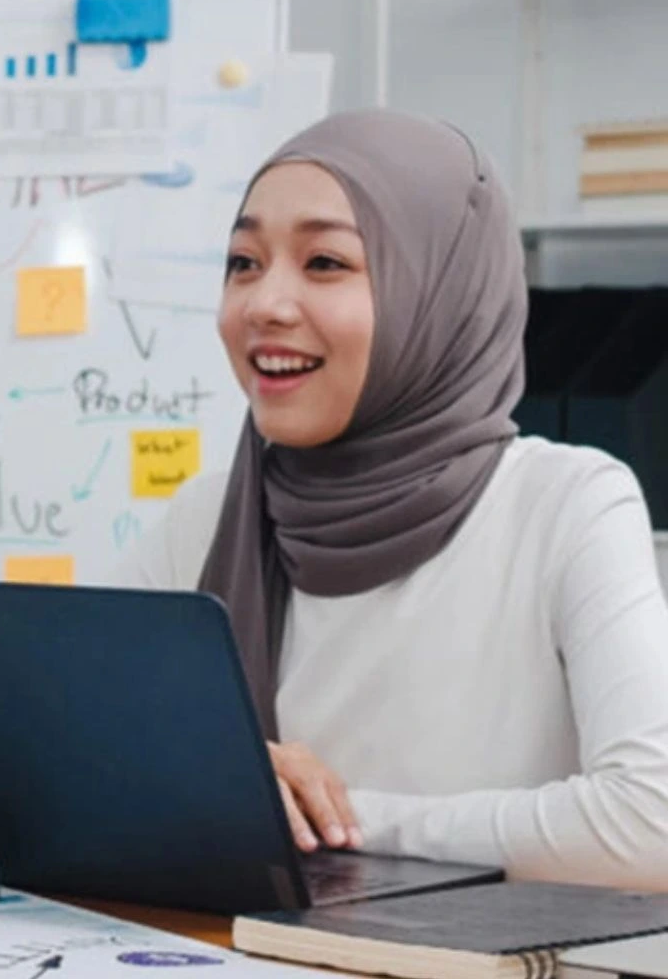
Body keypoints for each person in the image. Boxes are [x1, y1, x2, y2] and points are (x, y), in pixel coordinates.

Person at [121, 109, 668, 890]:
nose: (264, 303)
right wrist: (203, 777)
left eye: (325, 263)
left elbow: (652, 825)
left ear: (440, 293)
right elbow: (51, 757)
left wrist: (330, 817)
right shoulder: (207, 519)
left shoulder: (569, 504)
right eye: (244, 261)